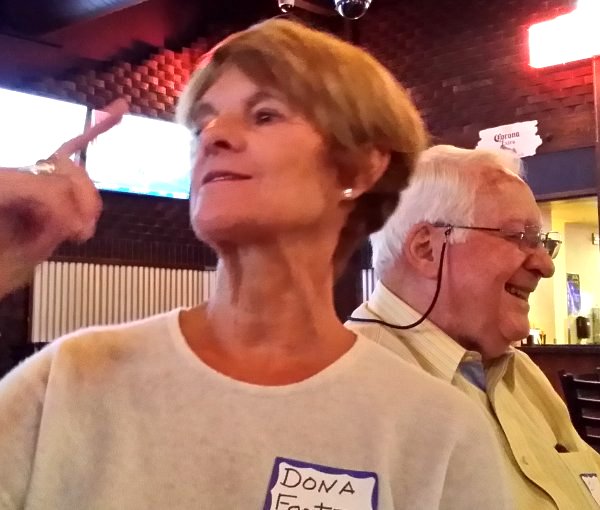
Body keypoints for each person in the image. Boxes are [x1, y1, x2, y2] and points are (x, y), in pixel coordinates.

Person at [0, 21, 512, 509]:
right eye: (203, 122)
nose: (213, 136)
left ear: (360, 169)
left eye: (265, 115)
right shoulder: (72, 377)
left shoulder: (438, 431)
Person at [348, 144, 600, 509]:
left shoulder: (519, 371)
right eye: (518, 237)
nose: (546, 266)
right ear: (427, 249)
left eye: (543, 242)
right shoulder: (346, 388)